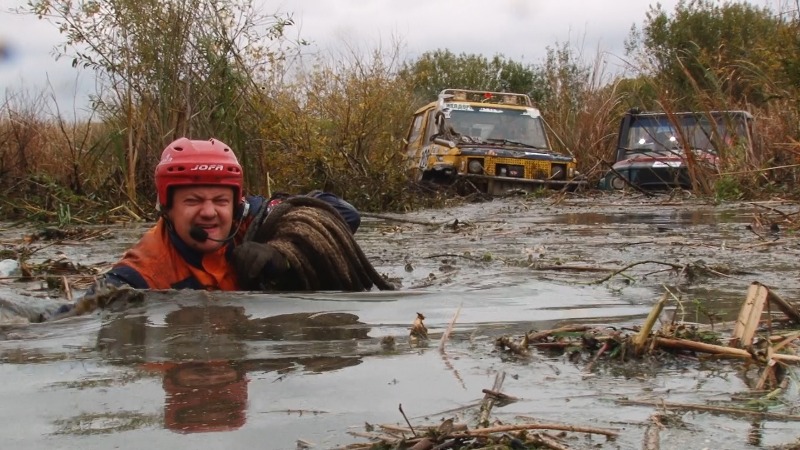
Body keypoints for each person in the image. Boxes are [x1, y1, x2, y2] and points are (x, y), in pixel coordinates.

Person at [94, 137, 361, 292]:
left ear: (235, 204)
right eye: (193, 200)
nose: (209, 212)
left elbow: (345, 216)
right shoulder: (142, 273)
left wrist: (284, 255)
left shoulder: (250, 219)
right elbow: (86, 313)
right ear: (167, 207)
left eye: (220, 200)